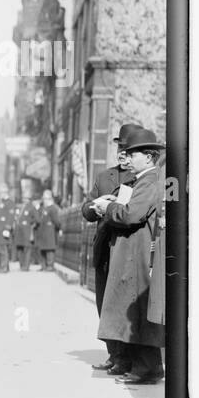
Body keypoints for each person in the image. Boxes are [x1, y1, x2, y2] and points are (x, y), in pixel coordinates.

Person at [91, 128, 165, 385]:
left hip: (138, 256)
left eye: (134, 154)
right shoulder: (141, 180)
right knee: (130, 310)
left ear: (149, 156)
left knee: (139, 311)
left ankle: (148, 368)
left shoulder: (150, 180)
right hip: (132, 254)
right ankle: (139, 365)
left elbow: (132, 215)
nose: (128, 158)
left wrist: (107, 207)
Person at [82, 124, 138, 373]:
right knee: (103, 302)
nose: (122, 153)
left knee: (121, 304)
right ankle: (113, 354)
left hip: (125, 248)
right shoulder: (104, 176)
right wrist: (93, 207)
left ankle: (126, 357)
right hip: (104, 247)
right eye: (119, 148)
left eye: (126, 149)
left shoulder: (142, 176)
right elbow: (86, 207)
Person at [34, 188, 62, 270]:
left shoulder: (53, 208)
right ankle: (43, 266)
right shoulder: (43, 208)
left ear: (50, 199)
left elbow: (56, 221)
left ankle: (50, 265)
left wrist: (59, 228)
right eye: (44, 198)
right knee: (42, 249)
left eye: (45, 198)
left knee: (49, 249)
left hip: (50, 232)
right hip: (43, 231)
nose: (44, 200)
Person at [12, 197, 38, 271]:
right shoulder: (20, 207)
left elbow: (37, 219)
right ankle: (21, 265)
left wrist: (29, 223)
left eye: (26, 198)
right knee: (19, 248)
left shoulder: (31, 207)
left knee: (27, 249)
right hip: (19, 231)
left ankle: (26, 266)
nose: (24, 200)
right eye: (24, 198)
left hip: (27, 231)